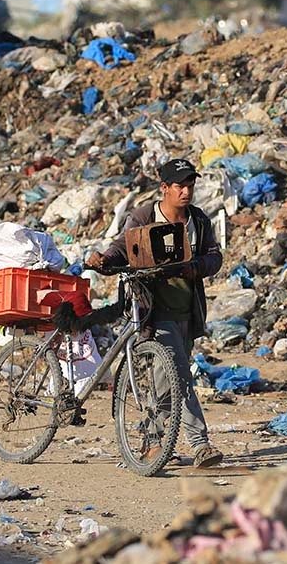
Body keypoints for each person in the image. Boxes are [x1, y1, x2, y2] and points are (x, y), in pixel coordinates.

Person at [85, 159, 225, 468]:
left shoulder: (198, 221)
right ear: (164, 188)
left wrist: (195, 267)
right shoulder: (144, 216)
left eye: (190, 185)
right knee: (178, 374)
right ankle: (200, 444)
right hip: (153, 309)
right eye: (180, 186)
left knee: (167, 381)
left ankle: (153, 443)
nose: (186, 191)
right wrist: (104, 259)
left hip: (187, 310)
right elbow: (122, 247)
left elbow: (215, 257)